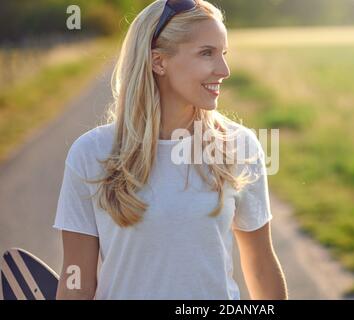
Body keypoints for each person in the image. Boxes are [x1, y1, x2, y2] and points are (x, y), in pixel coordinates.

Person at [53, 0, 288, 300]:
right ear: (159, 61)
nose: (224, 70)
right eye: (207, 53)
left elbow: (261, 267)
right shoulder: (90, 154)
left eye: (223, 53)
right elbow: (78, 282)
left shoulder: (240, 146)